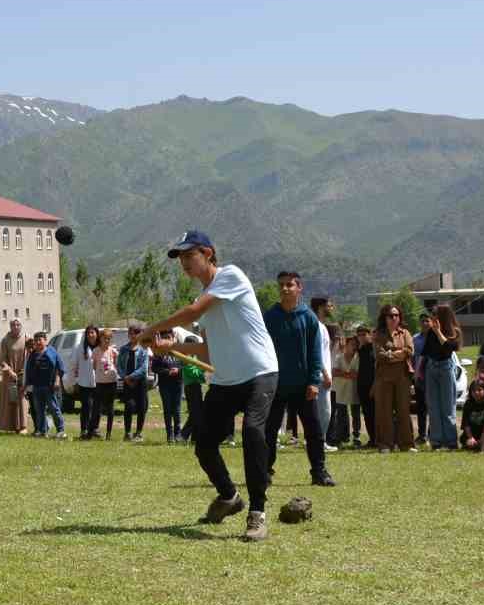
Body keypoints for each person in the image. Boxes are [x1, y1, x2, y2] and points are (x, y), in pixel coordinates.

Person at [138, 231, 280, 543]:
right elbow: (207, 349)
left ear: (208, 253)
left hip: (259, 372)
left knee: (253, 432)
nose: (185, 263)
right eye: (181, 259)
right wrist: (169, 348)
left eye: (190, 256)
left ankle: (257, 513)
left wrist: (153, 328)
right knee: (203, 443)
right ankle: (229, 497)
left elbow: (193, 313)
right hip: (226, 380)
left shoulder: (231, 276)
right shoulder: (204, 298)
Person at [262, 272, 334, 488]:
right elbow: (262, 349)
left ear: (299, 287)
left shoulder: (308, 317)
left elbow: (315, 354)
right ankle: (264, 472)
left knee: (313, 431)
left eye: (289, 285)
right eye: (281, 285)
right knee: (269, 430)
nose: (285, 288)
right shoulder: (270, 317)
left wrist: (314, 381)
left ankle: (319, 472)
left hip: (304, 386)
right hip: (276, 385)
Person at [371, 304, 415, 453]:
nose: (394, 318)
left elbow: (409, 351)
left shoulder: (405, 333)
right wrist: (398, 354)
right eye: (391, 315)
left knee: (404, 410)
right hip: (383, 378)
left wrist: (391, 354)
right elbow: (380, 355)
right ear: (385, 318)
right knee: (384, 412)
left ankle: (407, 445)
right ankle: (385, 445)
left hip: (403, 377)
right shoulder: (377, 334)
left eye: (397, 315)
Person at [422, 304, 461, 450]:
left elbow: (450, 348)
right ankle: (436, 441)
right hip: (431, 368)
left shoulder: (454, 331)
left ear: (443, 316)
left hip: (446, 368)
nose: (432, 317)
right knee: (433, 407)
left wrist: (438, 332)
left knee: (448, 406)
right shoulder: (430, 332)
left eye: (434, 314)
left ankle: (451, 441)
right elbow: (426, 352)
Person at [308, 296, 338, 452]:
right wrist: (325, 374)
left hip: (322, 376)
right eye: (329, 305)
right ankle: (319, 443)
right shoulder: (316, 326)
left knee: (324, 412)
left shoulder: (321, 326)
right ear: (321, 307)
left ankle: (319, 441)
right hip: (319, 377)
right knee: (324, 412)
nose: (331, 307)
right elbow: (316, 353)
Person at [24, 331, 66, 439]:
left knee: (54, 408)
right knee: (39, 410)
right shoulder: (33, 355)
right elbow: (29, 371)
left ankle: (61, 430)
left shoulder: (52, 352)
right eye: (36, 340)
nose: (38, 342)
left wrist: (57, 381)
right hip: (37, 387)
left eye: (40, 340)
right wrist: (26, 386)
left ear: (45, 341)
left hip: (50, 386)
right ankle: (42, 431)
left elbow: (58, 367)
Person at [0, 319, 28, 434]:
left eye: (18, 324)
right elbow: (2, 360)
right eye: (13, 324)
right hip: (9, 375)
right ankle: (10, 425)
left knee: (22, 399)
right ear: (10, 326)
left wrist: (24, 372)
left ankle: (23, 426)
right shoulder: (5, 340)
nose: (15, 326)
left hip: (22, 374)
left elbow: (29, 354)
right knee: (11, 399)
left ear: (21, 326)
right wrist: (10, 372)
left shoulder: (26, 338)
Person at [118, 326, 150, 442]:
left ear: (139, 335)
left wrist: (131, 376)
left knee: (142, 408)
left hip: (140, 382)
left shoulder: (143, 350)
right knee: (129, 406)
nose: (133, 336)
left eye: (135, 333)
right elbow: (119, 366)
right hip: (127, 382)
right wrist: (124, 377)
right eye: (130, 333)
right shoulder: (123, 349)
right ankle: (127, 433)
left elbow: (143, 368)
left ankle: (139, 433)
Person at [152, 331, 182, 443]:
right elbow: (154, 367)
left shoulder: (179, 350)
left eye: (169, 337)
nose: (167, 339)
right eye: (165, 337)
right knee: (168, 409)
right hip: (165, 384)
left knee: (177, 409)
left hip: (178, 383)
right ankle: (170, 435)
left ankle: (178, 434)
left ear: (173, 337)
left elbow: (185, 364)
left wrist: (178, 370)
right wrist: (167, 371)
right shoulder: (159, 353)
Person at [72, 325, 100, 439]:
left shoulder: (100, 347)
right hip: (84, 382)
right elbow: (74, 364)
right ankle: (84, 429)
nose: (90, 335)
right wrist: (75, 380)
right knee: (86, 407)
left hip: (99, 382)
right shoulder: (80, 348)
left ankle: (94, 429)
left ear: (97, 334)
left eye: (92, 332)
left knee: (97, 407)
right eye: (88, 333)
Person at [92, 329, 119, 439]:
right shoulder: (96, 351)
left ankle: (109, 433)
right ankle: (93, 430)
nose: (107, 340)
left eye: (109, 338)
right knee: (97, 407)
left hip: (111, 382)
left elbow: (115, 364)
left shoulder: (113, 351)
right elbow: (94, 366)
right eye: (105, 338)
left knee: (110, 408)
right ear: (101, 339)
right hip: (100, 382)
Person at [353, 325, 376, 448]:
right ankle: (372, 439)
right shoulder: (359, 350)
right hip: (361, 386)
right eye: (359, 335)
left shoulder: (374, 348)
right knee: (367, 414)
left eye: (363, 334)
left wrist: (374, 385)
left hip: (373, 385)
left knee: (375, 413)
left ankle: (378, 439)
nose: (361, 337)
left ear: (369, 334)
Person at [410, 311, 432, 442]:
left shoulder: (435, 337)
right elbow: (412, 358)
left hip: (433, 376)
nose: (425, 323)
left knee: (432, 407)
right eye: (422, 321)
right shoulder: (415, 339)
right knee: (421, 408)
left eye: (427, 321)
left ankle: (432, 433)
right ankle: (422, 434)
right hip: (419, 377)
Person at [458, 380, 484, 452]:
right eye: (474, 390)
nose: (476, 392)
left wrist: (482, 438)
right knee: (466, 442)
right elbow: (466, 424)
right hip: (472, 433)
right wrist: (470, 438)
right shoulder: (468, 404)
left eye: (479, 390)